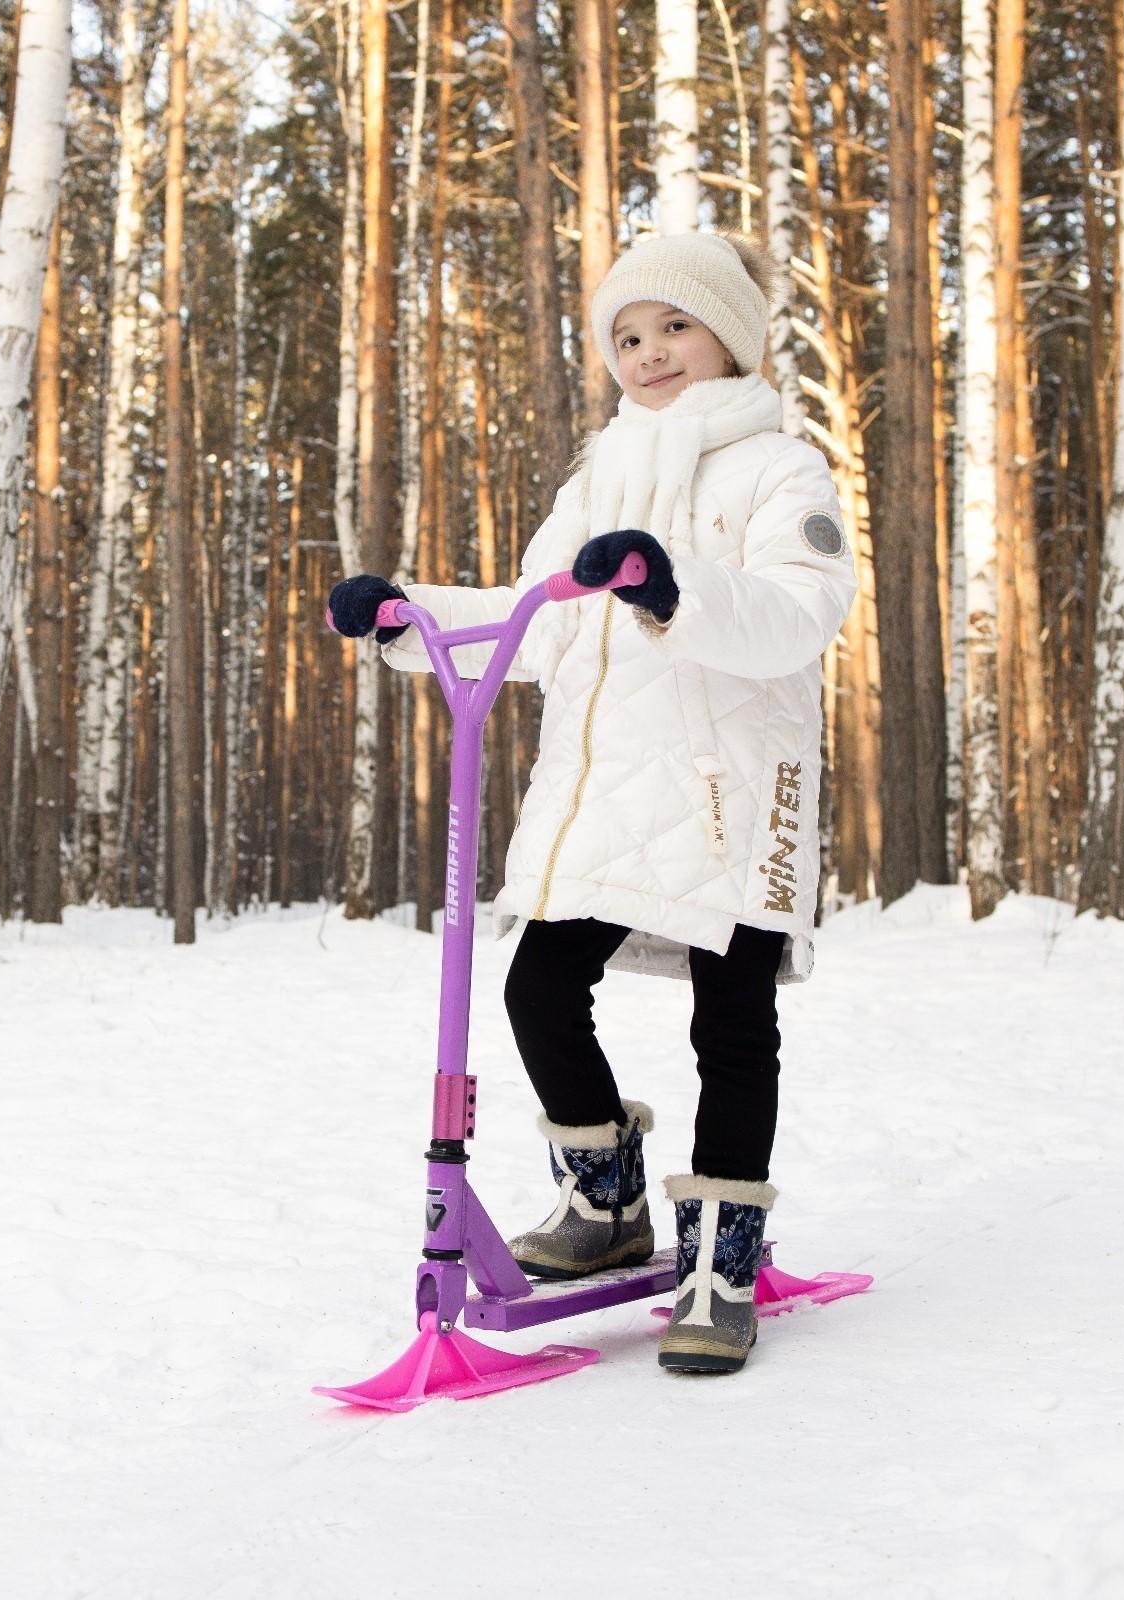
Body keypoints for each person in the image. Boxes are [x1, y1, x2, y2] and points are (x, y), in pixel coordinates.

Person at [327, 230, 857, 1374]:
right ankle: (605, 1196)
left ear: (730, 336)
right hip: (606, 792)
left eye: (674, 326)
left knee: (732, 1024)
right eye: (627, 335)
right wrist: (407, 616)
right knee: (537, 985)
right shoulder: (597, 478)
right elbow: (540, 619)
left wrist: (675, 585)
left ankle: (720, 1259)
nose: (649, 353)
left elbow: (798, 614)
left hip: (731, 797)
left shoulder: (780, 470)